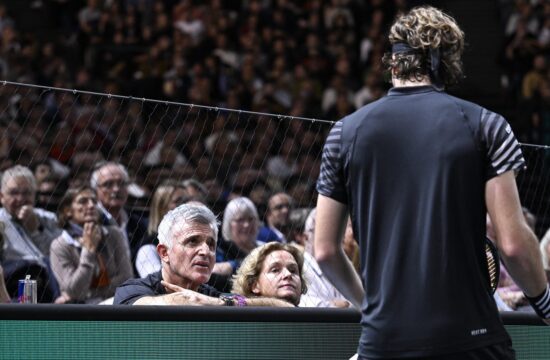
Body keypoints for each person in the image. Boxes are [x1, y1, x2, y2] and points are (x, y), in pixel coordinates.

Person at [314, 6, 550, 359]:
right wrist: (545, 305)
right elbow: (513, 245)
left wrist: (370, 308)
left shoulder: (342, 134)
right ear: (446, 62)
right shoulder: (487, 126)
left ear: (393, 64)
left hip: (384, 341)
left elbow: (325, 251)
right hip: (471, 341)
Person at [113, 203, 293, 307]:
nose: (206, 251)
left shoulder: (210, 295)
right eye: (192, 241)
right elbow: (144, 307)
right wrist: (190, 300)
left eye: (211, 244)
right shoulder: (131, 290)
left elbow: (284, 307)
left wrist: (222, 303)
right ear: (164, 252)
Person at [50, 186, 133, 304]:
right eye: (83, 201)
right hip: (79, 312)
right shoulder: (60, 245)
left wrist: (88, 293)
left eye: (94, 201)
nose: (91, 205)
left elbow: (127, 279)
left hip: (115, 304)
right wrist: (88, 250)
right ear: (68, 210)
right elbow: (74, 290)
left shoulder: (114, 235)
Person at [0, 165, 62, 302]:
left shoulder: (48, 219)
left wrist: (36, 230)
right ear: (2, 197)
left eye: (27, 193)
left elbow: (60, 255)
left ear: (35, 195)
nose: (21, 199)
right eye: (14, 193)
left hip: (51, 285)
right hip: (14, 287)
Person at [90, 161, 148, 274]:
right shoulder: (90, 222)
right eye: (108, 184)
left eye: (121, 184)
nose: (116, 189)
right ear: (95, 190)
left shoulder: (140, 223)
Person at [135, 180, 188, 278]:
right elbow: (157, 283)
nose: (186, 206)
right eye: (178, 201)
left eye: (186, 200)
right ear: (161, 207)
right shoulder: (148, 246)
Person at [211, 197, 264, 292]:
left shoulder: (264, 247)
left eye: (251, 219)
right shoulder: (220, 250)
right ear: (229, 224)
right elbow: (212, 271)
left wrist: (231, 266)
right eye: (240, 220)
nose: (246, 225)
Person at [232, 242, 306, 306]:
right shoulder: (242, 319)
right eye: (275, 270)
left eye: (293, 270)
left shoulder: (313, 319)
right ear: (254, 285)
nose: (288, 274)